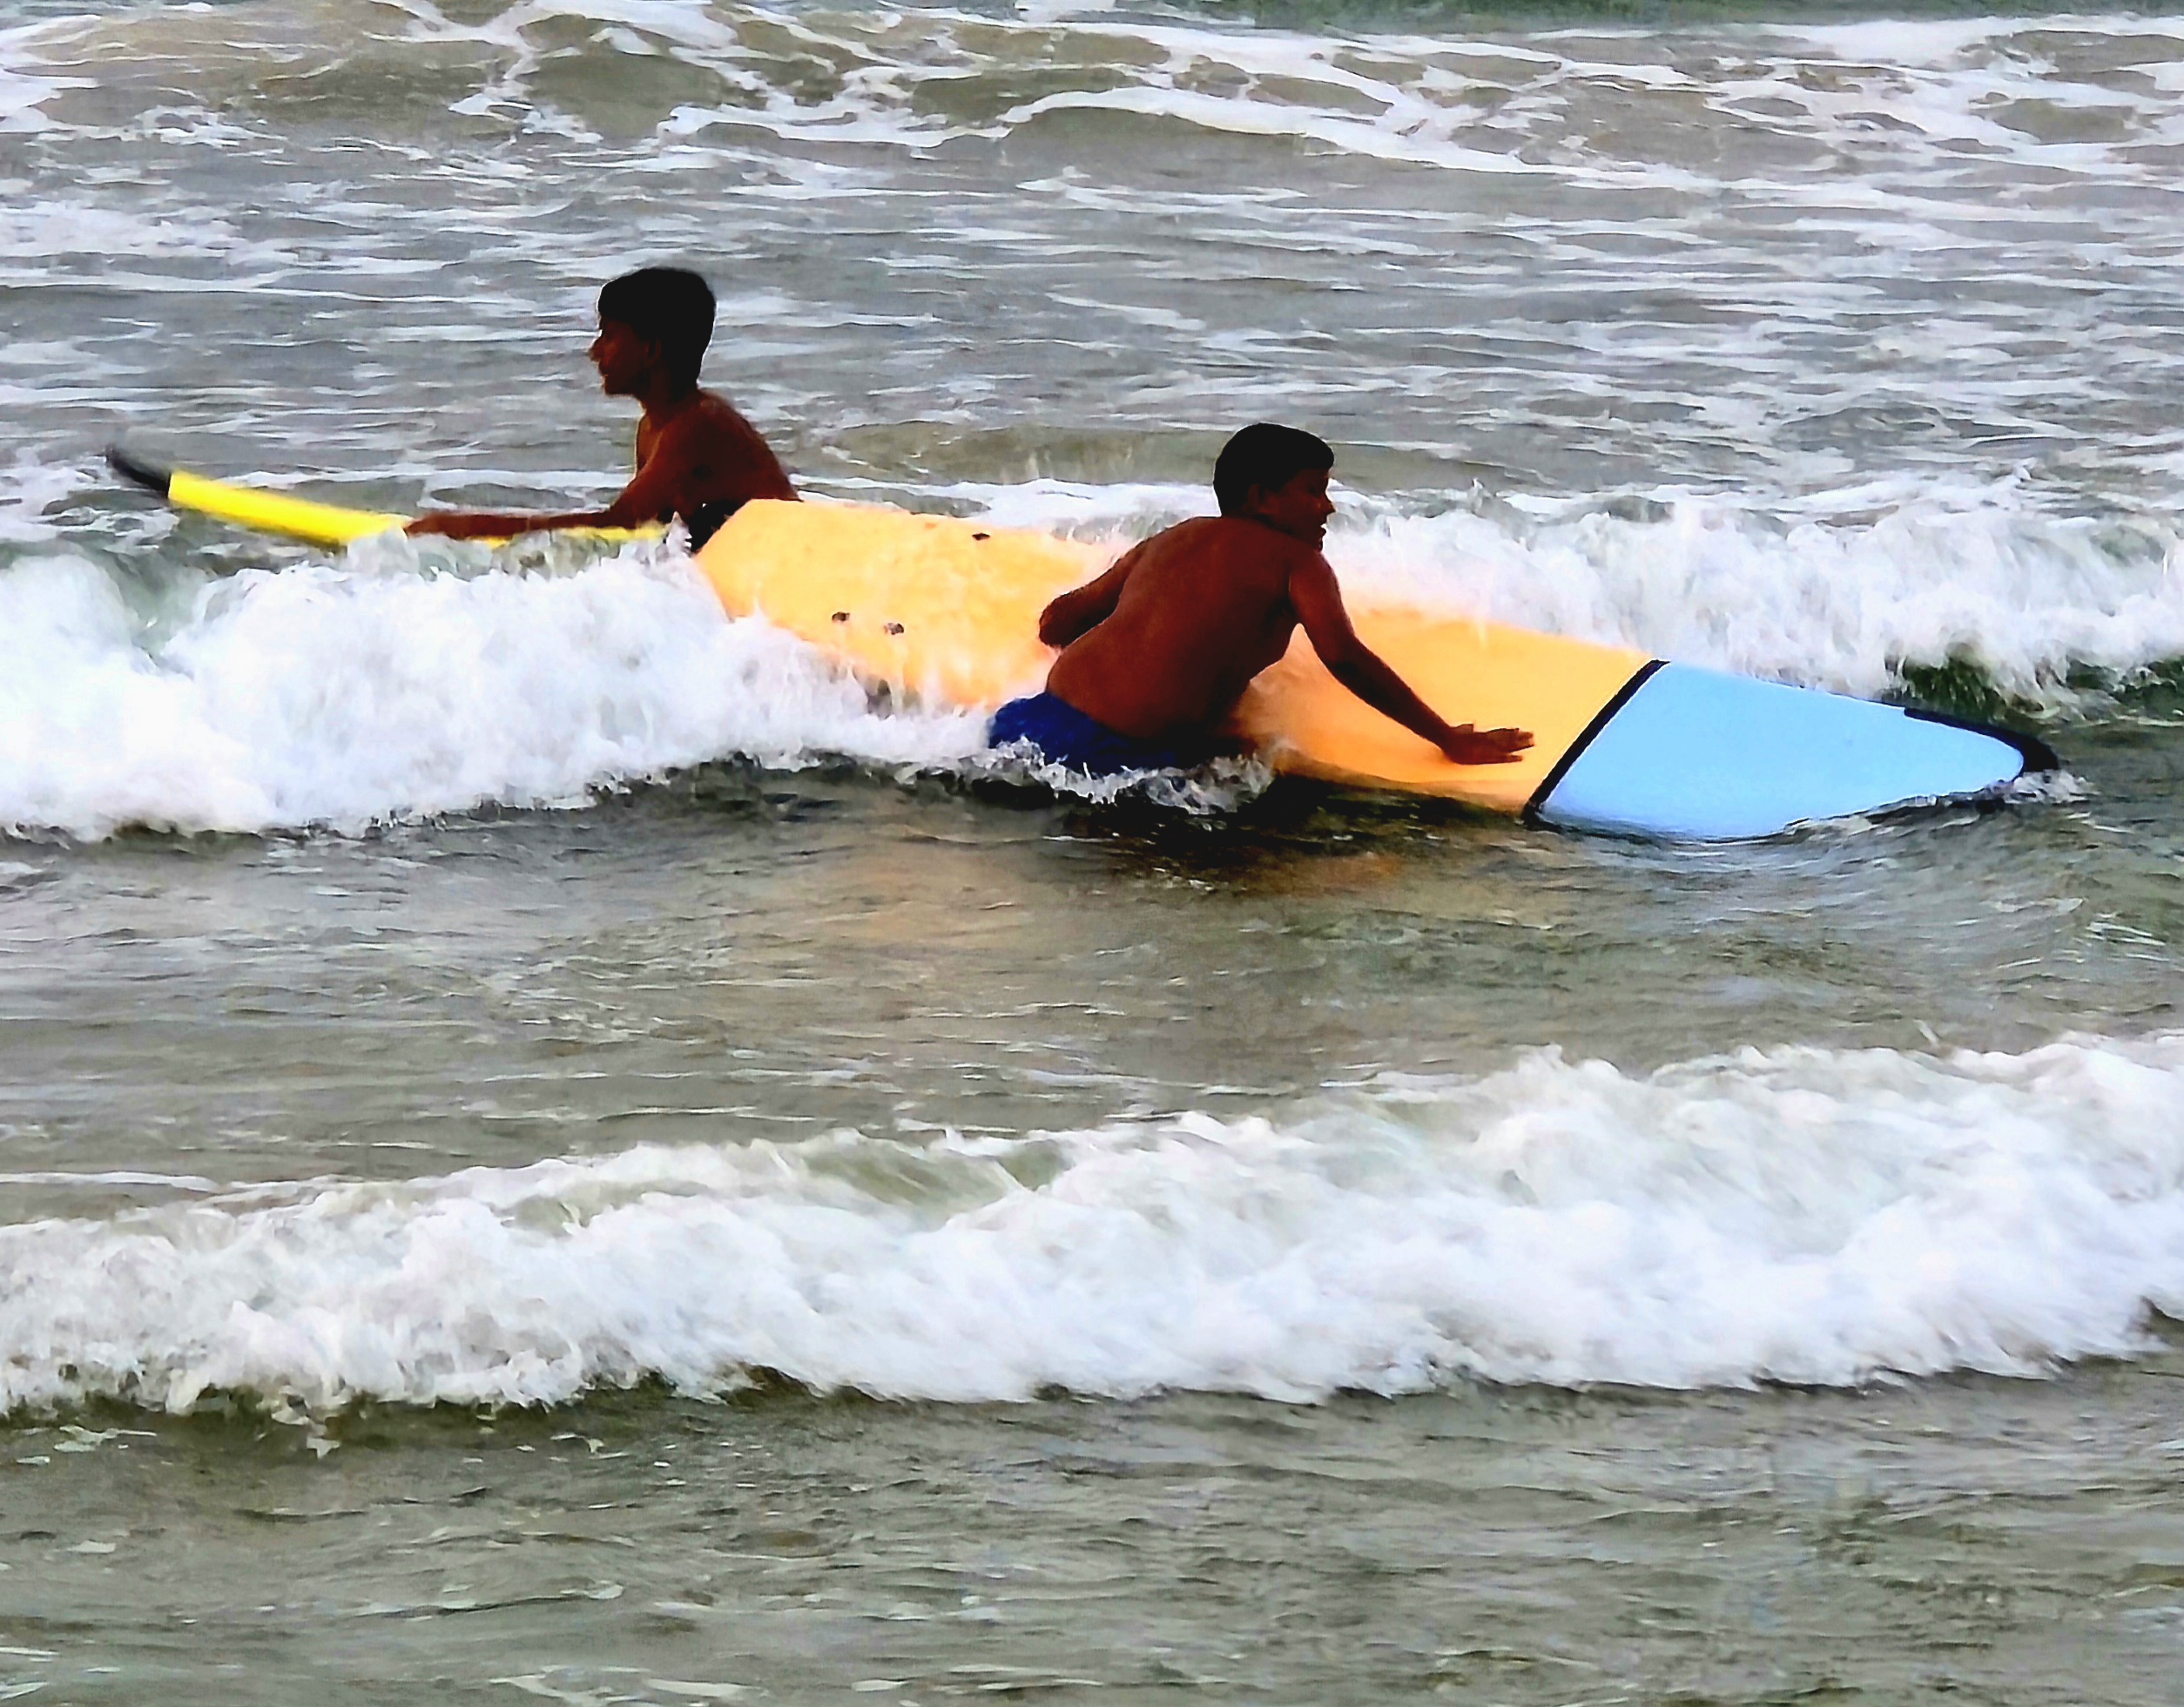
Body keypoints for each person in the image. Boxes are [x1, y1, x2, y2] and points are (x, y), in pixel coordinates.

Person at [989, 423, 1534, 776]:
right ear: (1262, 499)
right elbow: (1343, 656)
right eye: (1314, 490)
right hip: (1127, 757)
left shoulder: (1171, 539)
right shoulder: (1297, 563)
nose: (1328, 508)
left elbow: (1061, 624)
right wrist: (1444, 737)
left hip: (1039, 718)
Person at [406, 267, 795, 549]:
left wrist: (465, 527)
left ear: (650, 350)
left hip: (795, 557)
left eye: (608, 335)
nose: (595, 352)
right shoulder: (654, 426)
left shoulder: (697, 425)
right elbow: (649, 529)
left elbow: (618, 524)